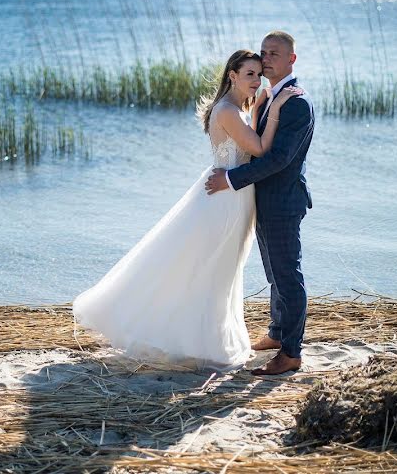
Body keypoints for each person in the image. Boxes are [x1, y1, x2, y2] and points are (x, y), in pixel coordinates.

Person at [72, 49, 302, 371]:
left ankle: (208, 337)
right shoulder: (226, 112)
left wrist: (260, 107)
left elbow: (246, 143)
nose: (256, 80)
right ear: (232, 75)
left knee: (221, 271)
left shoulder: (236, 109)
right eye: (248, 74)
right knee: (213, 271)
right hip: (224, 200)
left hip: (234, 195)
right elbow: (261, 149)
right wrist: (275, 106)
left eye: (258, 74)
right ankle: (201, 342)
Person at [205, 31, 315, 376]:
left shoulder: (295, 102)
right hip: (262, 199)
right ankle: (278, 334)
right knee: (274, 273)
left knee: (287, 275)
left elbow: (279, 159)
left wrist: (232, 179)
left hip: (283, 201)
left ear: (291, 59)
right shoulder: (268, 96)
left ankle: (291, 353)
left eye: (275, 54)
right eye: (264, 52)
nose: (266, 59)